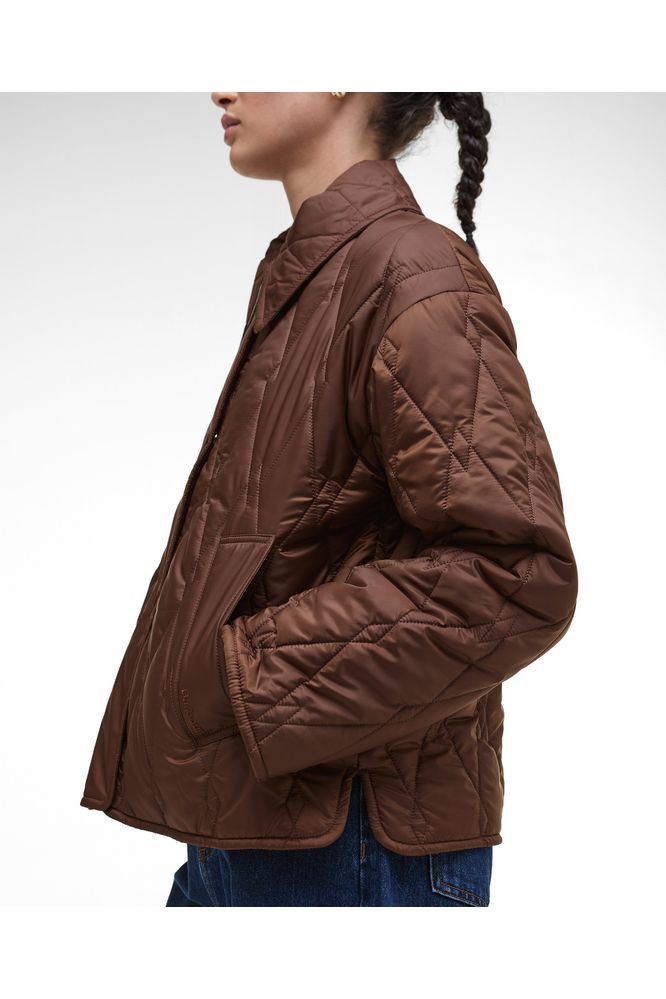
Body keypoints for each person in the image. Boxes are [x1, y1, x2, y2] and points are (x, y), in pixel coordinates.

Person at [80, 92, 578, 907]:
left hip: (349, 841)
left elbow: (518, 574)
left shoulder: (413, 274)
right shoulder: (320, 273)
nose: (221, 86)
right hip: (260, 825)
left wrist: (249, 677)